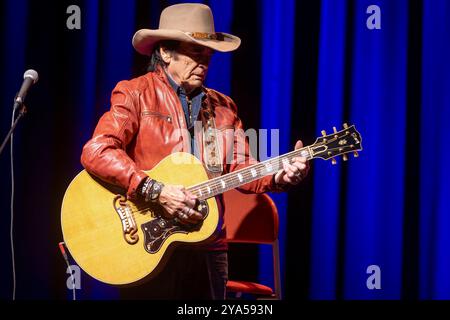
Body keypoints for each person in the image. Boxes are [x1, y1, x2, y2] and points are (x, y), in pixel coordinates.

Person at [81, 3, 309, 300]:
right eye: (194, 51)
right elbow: (97, 151)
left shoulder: (224, 108)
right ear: (165, 52)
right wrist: (155, 190)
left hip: (208, 245)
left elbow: (242, 169)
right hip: (149, 242)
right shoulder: (135, 92)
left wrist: (280, 176)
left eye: (207, 52)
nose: (204, 60)